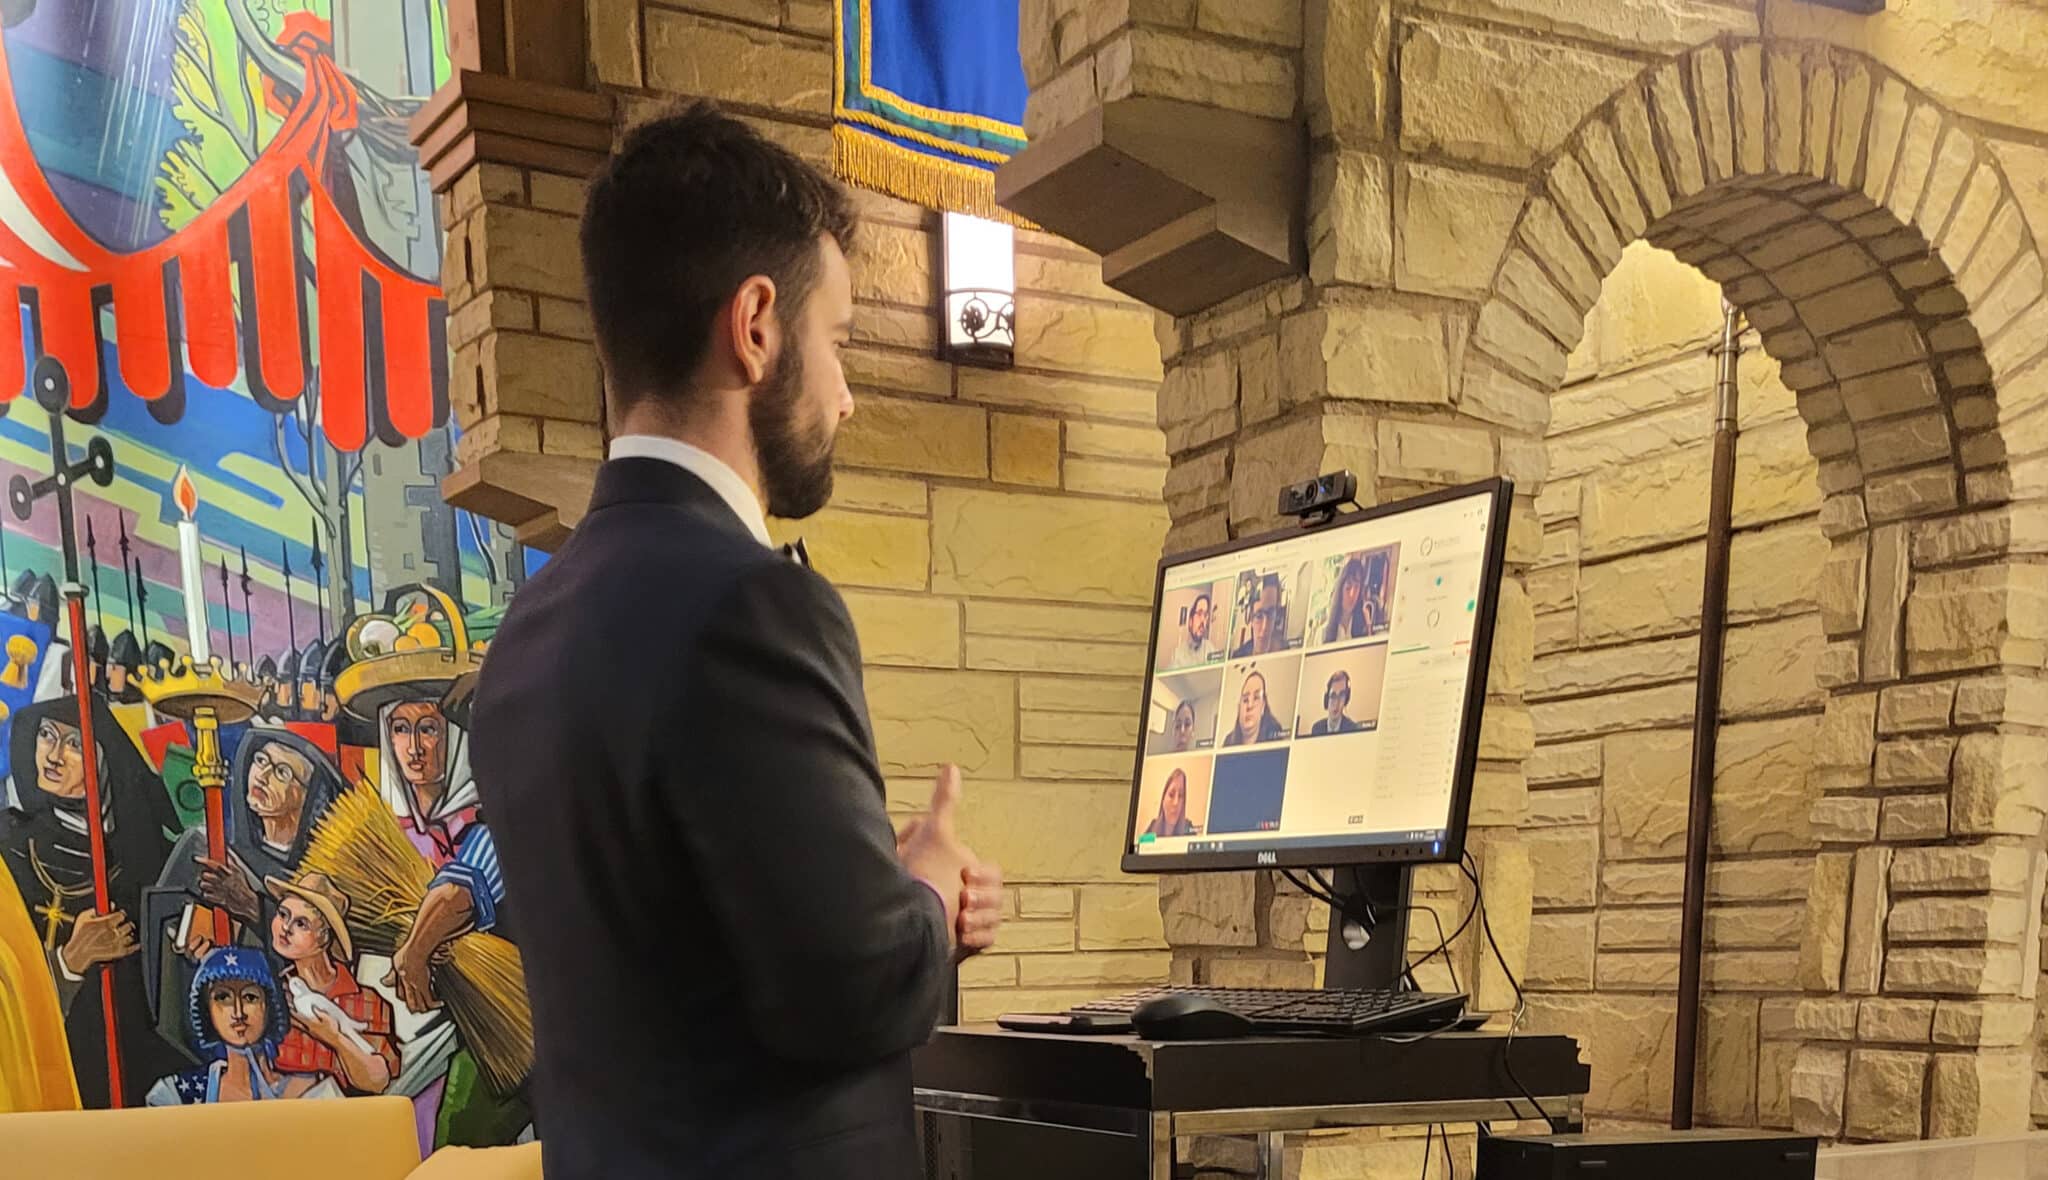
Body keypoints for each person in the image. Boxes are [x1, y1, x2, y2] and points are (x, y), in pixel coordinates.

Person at [470, 102, 1004, 1179]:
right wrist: (928, 896)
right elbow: (848, 994)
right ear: (756, 325)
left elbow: (696, 965)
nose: (847, 396)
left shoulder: (526, 634)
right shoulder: (751, 607)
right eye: (839, 341)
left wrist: (878, 883)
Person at [146, 946, 341, 1105]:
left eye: (250, 997)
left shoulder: (315, 1091)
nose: (238, 1013)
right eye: (223, 998)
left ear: (270, 1006)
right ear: (207, 1010)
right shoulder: (176, 1095)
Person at [264, 870, 401, 1095]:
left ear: (325, 937)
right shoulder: (271, 995)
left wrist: (333, 1037)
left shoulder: (367, 1001)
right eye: (283, 914)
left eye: (301, 924)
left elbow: (379, 1081)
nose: (286, 928)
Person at [1221, 669, 1288, 747]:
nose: (1249, 705)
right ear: (1239, 708)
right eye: (1245, 700)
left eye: (1256, 698)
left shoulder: (1274, 737)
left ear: (1263, 707)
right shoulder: (1228, 742)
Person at [1231, 574, 1287, 658]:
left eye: (1271, 614)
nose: (1265, 627)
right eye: (1259, 616)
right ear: (1250, 616)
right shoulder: (1238, 656)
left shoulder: (1286, 652)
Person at [1322, 556, 1371, 644]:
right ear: (1341, 589)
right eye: (1348, 587)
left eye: (1356, 587)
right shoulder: (1323, 632)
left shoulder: (1364, 625)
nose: (1352, 594)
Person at [1166, 591, 1215, 670]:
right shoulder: (1177, 654)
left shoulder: (1211, 649)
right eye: (1199, 613)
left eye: (1205, 615)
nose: (1203, 620)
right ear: (1190, 622)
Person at [1142, 768, 1199, 838]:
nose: (1176, 803)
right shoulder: (1153, 827)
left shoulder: (1188, 828)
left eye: (1180, 796)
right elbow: (1141, 844)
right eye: (1171, 795)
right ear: (1163, 799)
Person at [1308, 670, 1364, 736]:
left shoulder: (1353, 729)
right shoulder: (1316, 729)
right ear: (1327, 699)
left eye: (1341, 696)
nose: (1336, 703)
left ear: (1346, 700)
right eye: (1333, 696)